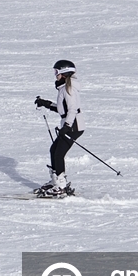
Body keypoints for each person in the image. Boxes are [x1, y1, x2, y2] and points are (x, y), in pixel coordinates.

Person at [34, 59, 84, 197]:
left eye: (57, 72)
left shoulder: (69, 89)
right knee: (54, 150)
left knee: (58, 154)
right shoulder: (64, 88)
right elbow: (63, 109)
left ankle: (61, 186)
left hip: (74, 126)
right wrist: (46, 104)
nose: (55, 75)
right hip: (70, 125)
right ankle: (55, 181)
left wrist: (67, 126)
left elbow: (72, 110)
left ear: (64, 73)